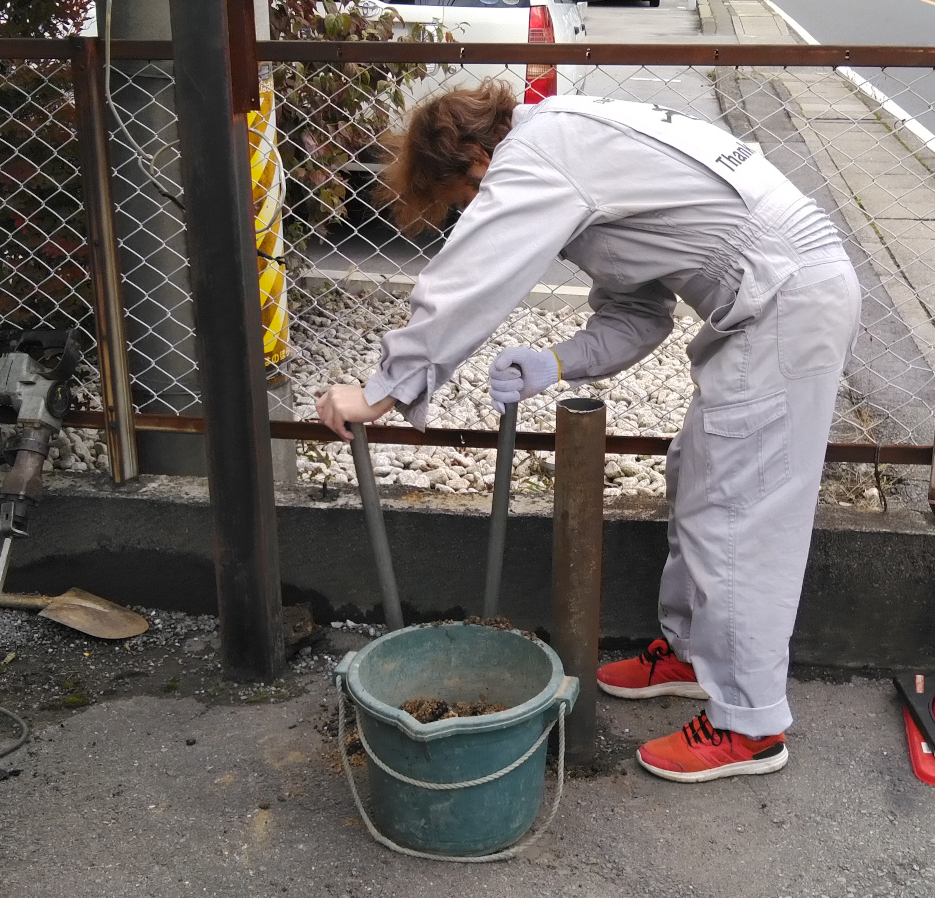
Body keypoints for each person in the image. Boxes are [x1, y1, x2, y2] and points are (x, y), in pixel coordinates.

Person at [316, 81, 861, 784]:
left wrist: (382, 390)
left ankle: (749, 726)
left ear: (477, 159)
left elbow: (475, 270)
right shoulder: (573, 147)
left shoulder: (540, 151)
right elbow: (639, 315)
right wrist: (554, 363)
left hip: (788, 299)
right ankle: (695, 656)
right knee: (699, 480)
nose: (474, 210)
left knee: (740, 516)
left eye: (465, 198)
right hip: (775, 292)